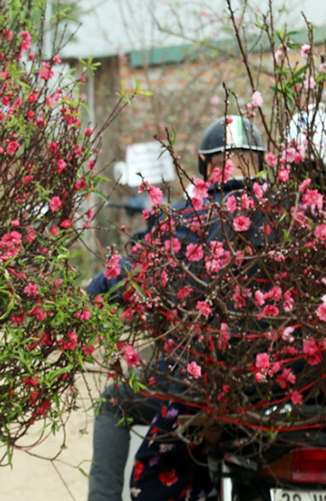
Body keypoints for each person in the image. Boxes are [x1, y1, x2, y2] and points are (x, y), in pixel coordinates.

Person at [87, 116, 266, 501]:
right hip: (277, 389)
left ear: (204, 165)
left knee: (114, 402)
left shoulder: (184, 220)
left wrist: (89, 297)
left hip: (195, 384)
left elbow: (123, 279)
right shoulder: (292, 216)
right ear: (262, 163)